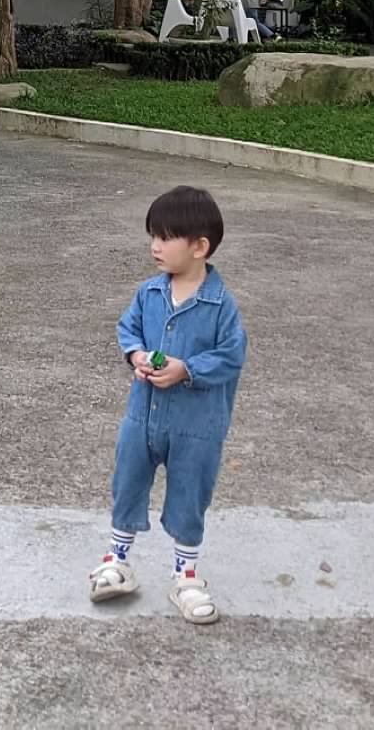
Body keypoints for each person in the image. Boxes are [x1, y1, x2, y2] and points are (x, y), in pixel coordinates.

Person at [89, 185, 248, 625]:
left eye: (166, 237)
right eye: (152, 236)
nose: (155, 247)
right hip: (143, 417)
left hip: (196, 425)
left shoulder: (221, 306)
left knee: (189, 495)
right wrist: (137, 355)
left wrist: (187, 369)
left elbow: (232, 355)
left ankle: (185, 574)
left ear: (200, 247)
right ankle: (117, 559)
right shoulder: (149, 293)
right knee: (128, 482)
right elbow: (129, 328)